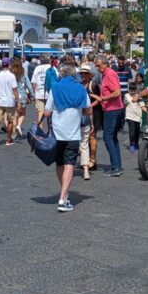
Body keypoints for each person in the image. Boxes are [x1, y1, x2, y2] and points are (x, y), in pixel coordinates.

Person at [43, 64, 91, 212]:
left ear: (61, 74)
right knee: (70, 163)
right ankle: (63, 198)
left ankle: (64, 192)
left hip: (57, 132)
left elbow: (47, 113)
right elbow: (88, 110)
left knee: (59, 163)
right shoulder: (81, 89)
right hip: (73, 133)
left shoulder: (55, 88)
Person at [96, 55, 124, 176]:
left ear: (105, 64)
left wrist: (103, 98)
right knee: (112, 137)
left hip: (113, 109)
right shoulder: (105, 74)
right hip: (113, 109)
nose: (97, 68)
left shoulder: (109, 74)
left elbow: (117, 92)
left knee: (107, 137)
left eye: (98, 65)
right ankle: (117, 165)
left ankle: (115, 167)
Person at [0, 57, 19, 147]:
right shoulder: (12, 76)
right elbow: (15, 90)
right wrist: (18, 101)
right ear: (9, 65)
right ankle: (8, 140)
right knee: (10, 121)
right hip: (9, 102)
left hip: (0, 101)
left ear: (2, 65)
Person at [77, 63, 95, 180]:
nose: (83, 75)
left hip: (75, 120)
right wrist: (91, 123)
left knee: (81, 145)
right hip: (83, 119)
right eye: (81, 73)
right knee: (84, 145)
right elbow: (89, 109)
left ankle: (81, 168)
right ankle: (86, 170)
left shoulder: (77, 88)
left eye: (85, 73)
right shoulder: (81, 89)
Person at [11, 57, 33, 139]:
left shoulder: (11, 74)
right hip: (22, 96)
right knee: (23, 114)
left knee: (15, 115)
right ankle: (19, 125)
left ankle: (14, 132)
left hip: (13, 95)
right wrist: (32, 95)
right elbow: (29, 86)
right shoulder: (23, 74)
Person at [31, 55, 51, 124]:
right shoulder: (52, 68)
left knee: (40, 112)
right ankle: (49, 130)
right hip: (50, 94)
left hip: (39, 93)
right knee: (50, 113)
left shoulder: (37, 68)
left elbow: (34, 83)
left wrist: (34, 93)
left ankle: (40, 130)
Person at [124, 84, 142, 153]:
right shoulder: (127, 96)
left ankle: (136, 143)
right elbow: (125, 102)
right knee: (132, 131)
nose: (132, 92)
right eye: (131, 90)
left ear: (136, 90)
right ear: (129, 90)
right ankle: (132, 144)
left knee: (137, 131)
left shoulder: (138, 96)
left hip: (137, 117)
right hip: (130, 116)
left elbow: (142, 103)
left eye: (134, 90)